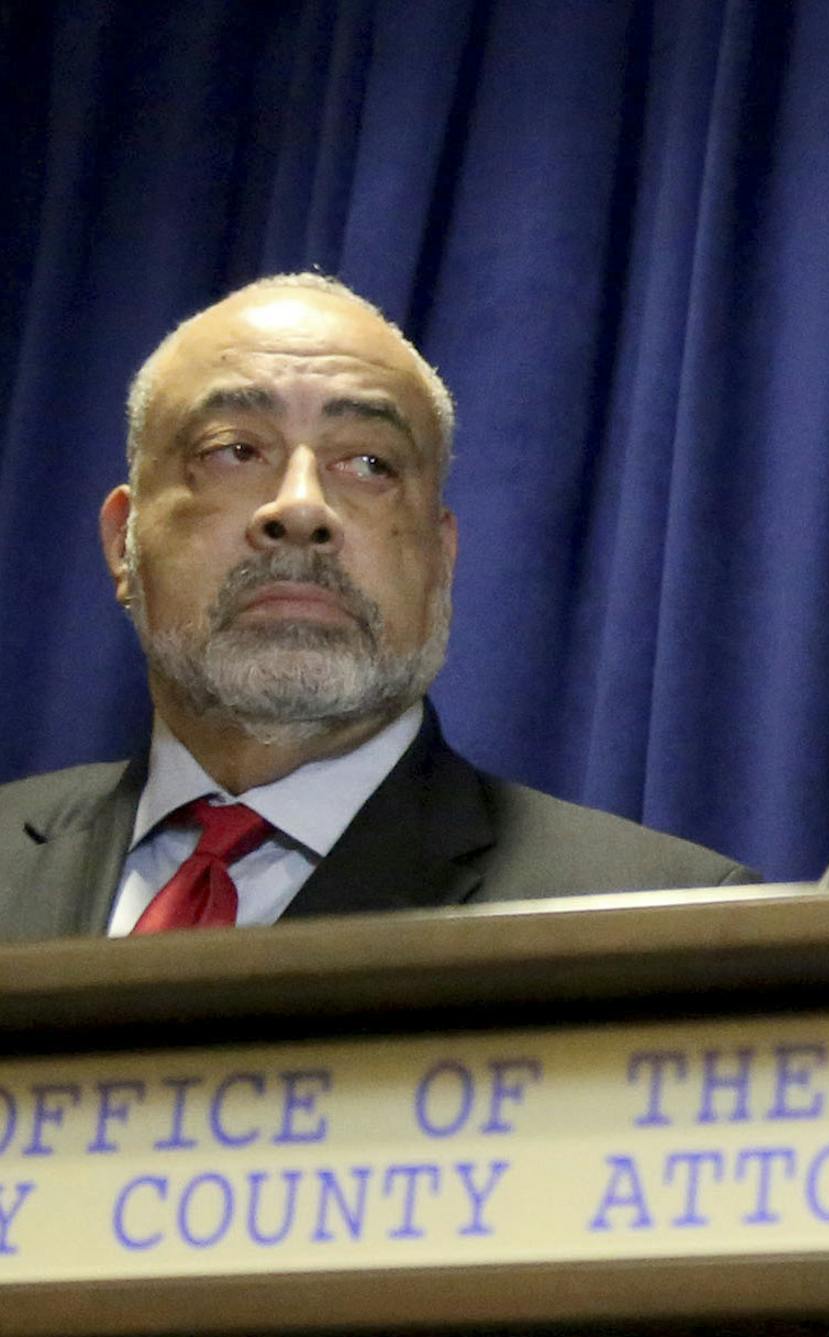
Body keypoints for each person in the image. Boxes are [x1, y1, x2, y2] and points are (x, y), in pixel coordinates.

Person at [0, 274, 751, 941]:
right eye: (234, 450)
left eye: (368, 464)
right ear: (121, 542)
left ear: (441, 560)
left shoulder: (662, 923)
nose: (300, 507)